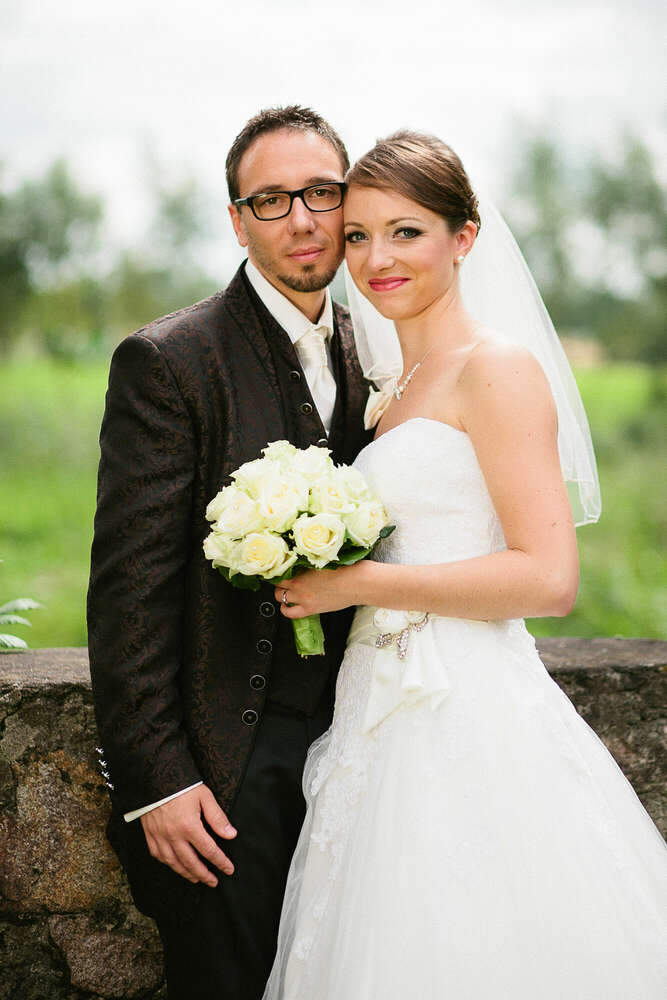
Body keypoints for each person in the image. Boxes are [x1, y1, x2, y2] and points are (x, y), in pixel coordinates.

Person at [262, 131, 667, 999]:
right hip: (375, 707)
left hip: (467, 709)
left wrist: (361, 584)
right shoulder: (389, 390)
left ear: (464, 237)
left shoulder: (496, 369)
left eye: (405, 232)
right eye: (359, 235)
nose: (376, 259)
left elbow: (548, 579)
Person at [87, 105, 372, 1000]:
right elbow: (129, 591)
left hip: (363, 751)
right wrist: (159, 782)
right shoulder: (168, 361)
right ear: (237, 220)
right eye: (271, 199)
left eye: (321, 192)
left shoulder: (381, 348)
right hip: (226, 767)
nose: (302, 219)